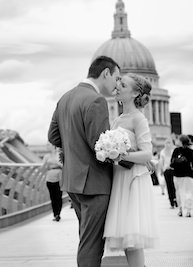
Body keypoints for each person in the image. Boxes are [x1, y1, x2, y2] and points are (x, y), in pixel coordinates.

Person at [48, 56, 120, 267]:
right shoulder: (96, 100)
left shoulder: (66, 98)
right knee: (92, 244)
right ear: (105, 73)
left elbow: (53, 137)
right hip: (94, 184)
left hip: (73, 181)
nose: (117, 85)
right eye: (116, 78)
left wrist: (73, 149)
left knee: (87, 238)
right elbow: (101, 145)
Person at [103, 73, 158, 267]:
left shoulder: (138, 119)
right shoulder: (118, 120)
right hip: (120, 178)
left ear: (135, 93)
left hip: (132, 180)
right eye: (118, 83)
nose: (117, 87)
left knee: (133, 238)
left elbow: (147, 154)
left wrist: (118, 155)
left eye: (123, 85)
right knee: (127, 239)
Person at [42, 144, 63, 221]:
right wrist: (46, 163)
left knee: (58, 196)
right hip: (49, 177)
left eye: (48, 145)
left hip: (59, 177)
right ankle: (55, 214)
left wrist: (56, 162)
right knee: (52, 197)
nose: (47, 146)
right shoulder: (46, 156)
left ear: (53, 146)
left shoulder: (59, 155)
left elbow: (63, 165)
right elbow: (43, 167)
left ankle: (58, 213)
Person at [158, 137, 177, 208]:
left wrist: (161, 170)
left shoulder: (170, 151)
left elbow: (161, 162)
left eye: (169, 143)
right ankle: (172, 201)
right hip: (168, 170)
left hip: (171, 170)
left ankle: (173, 200)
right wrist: (161, 170)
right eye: (167, 143)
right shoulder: (164, 152)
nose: (168, 144)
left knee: (171, 186)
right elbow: (161, 162)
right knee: (171, 186)